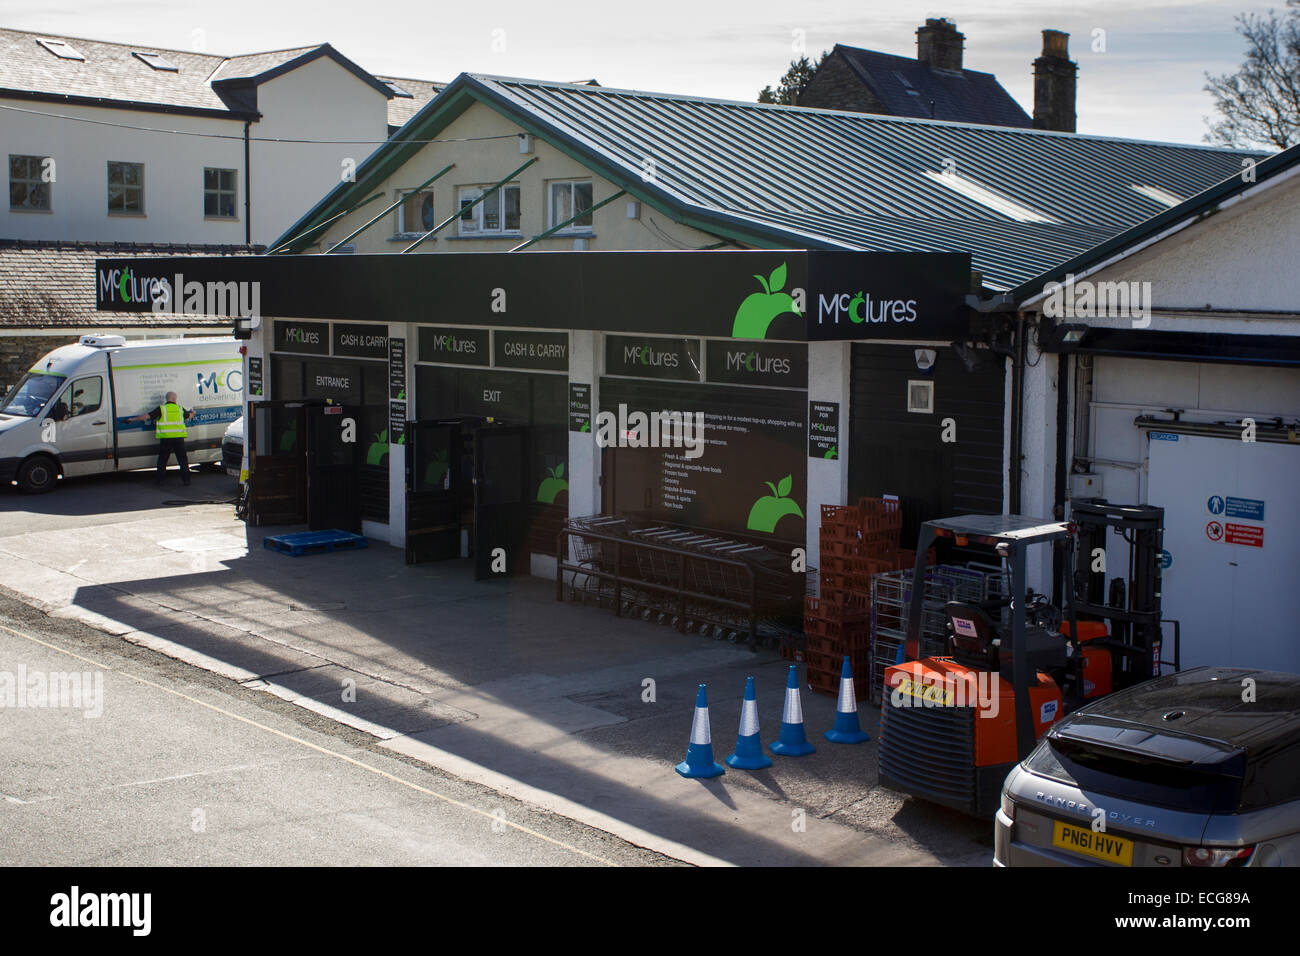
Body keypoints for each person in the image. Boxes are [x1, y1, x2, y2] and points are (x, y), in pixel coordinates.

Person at [129, 391, 197, 486]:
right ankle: (186, 480)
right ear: (174, 399)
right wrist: (193, 413)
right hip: (178, 438)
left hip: (166, 439)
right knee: (182, 460)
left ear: (167, 399)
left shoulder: (161, 409)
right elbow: (189, 416)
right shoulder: (180, 408)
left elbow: (146, 416)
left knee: (163, 459)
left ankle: (160, 480)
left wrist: (132, 419)